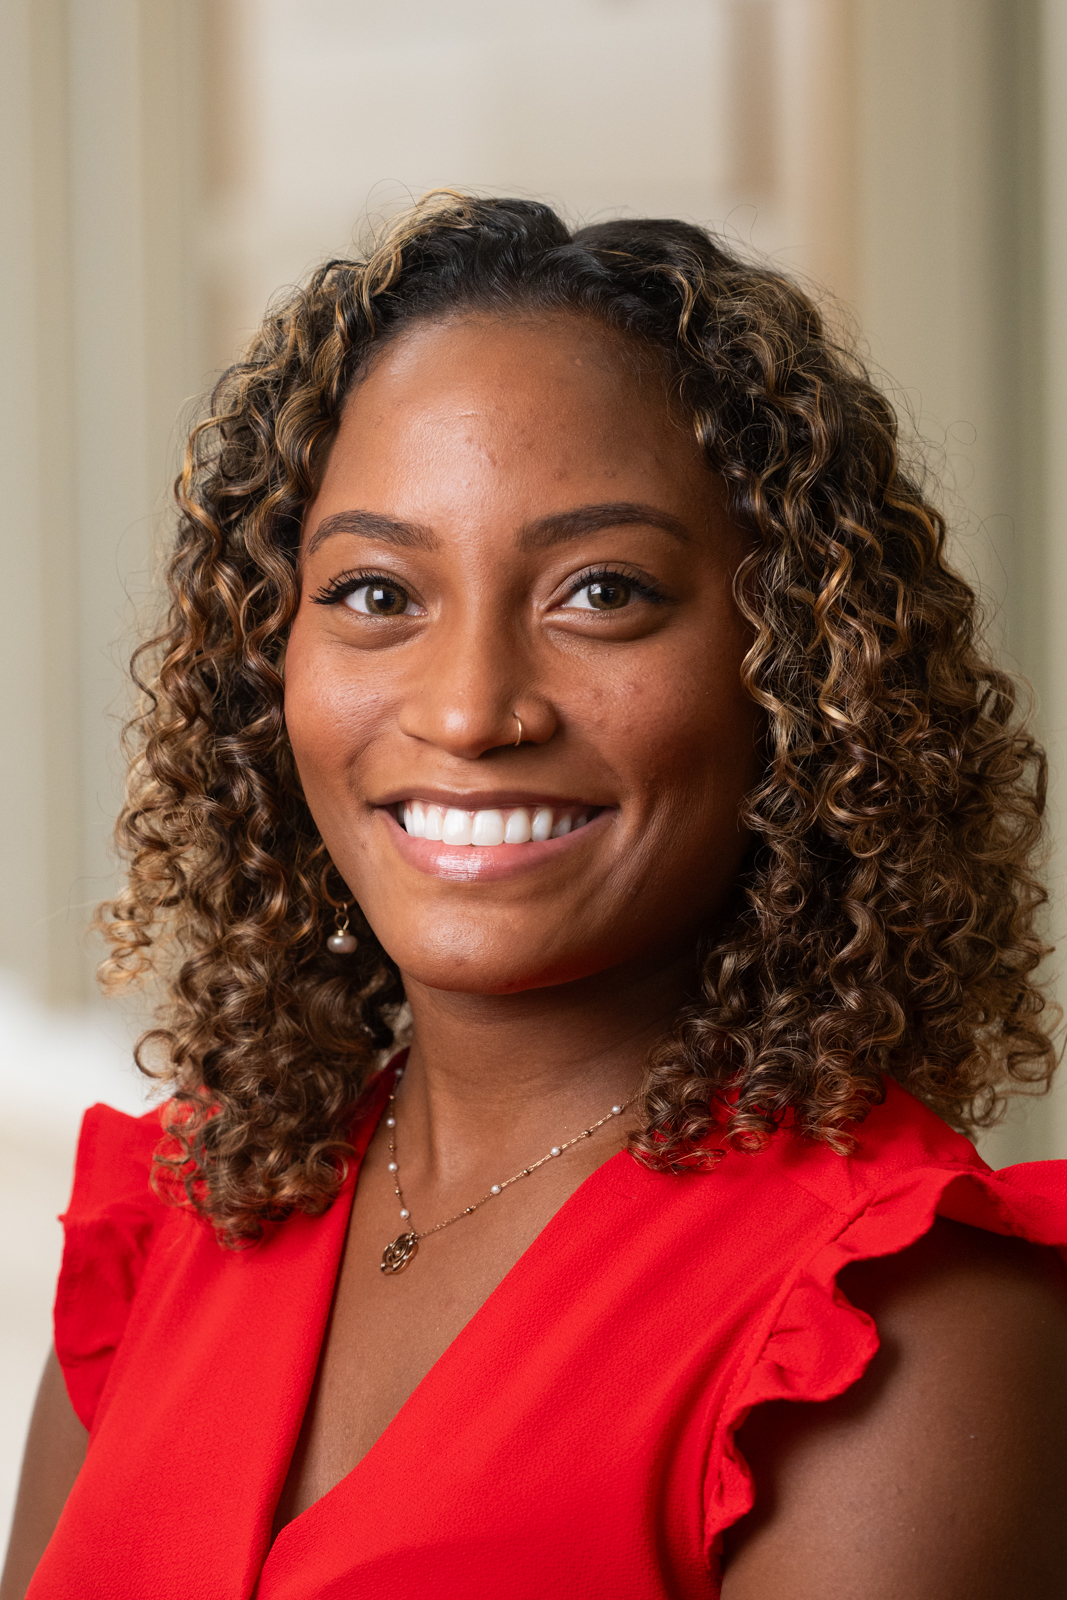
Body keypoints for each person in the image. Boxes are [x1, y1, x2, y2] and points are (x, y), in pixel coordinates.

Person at [3, 193, 1066, 1600]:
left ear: (798, 676)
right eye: (378, 595)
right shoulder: (180, 1211)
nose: (470, 708)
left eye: (603, 592)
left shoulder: (899, 1320)